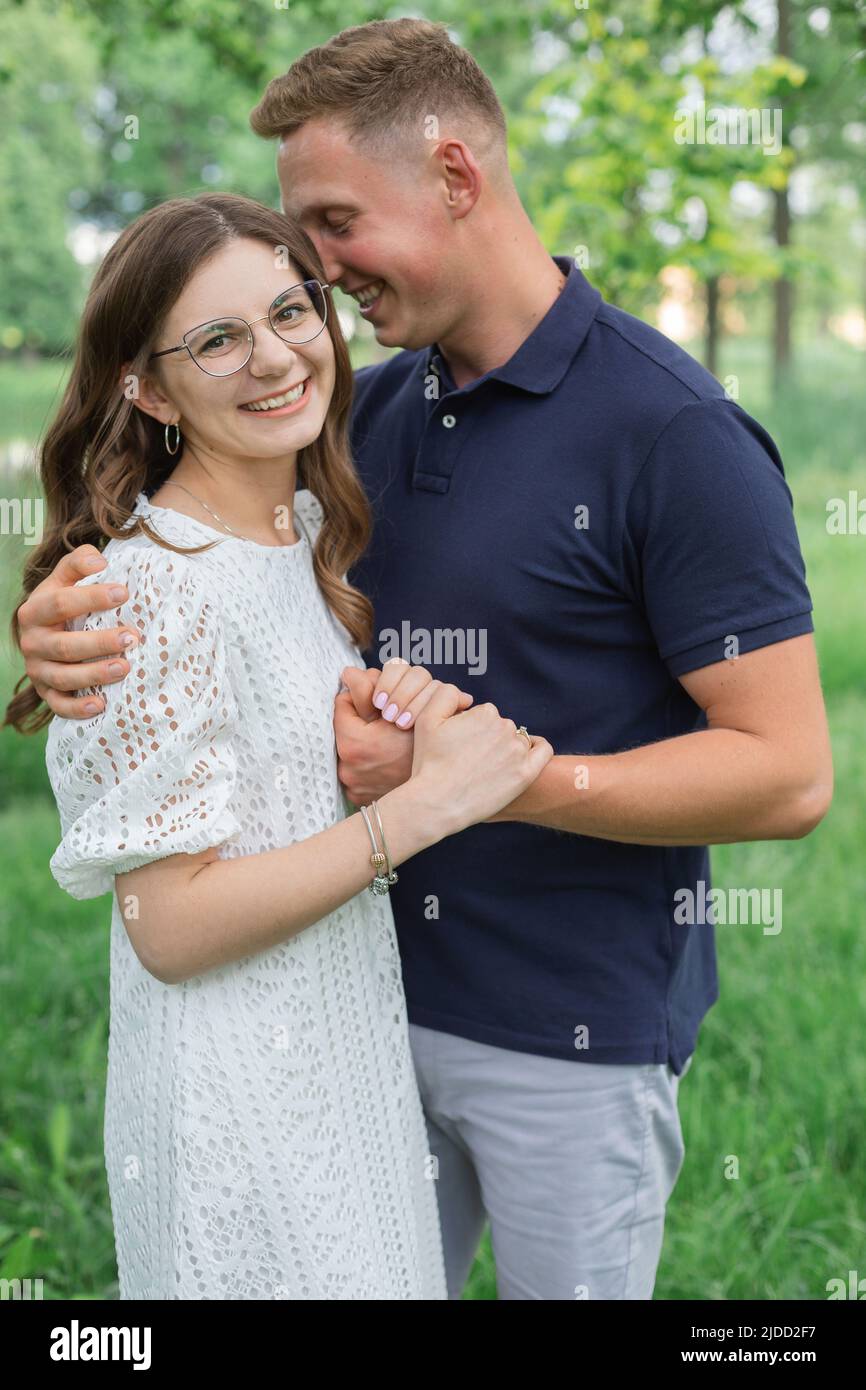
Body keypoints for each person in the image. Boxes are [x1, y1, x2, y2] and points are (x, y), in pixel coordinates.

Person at [12, 19, 833, 1300]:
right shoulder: (358, 418)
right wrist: (61, 617)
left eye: (331, 225)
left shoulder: (674, 434)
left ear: (452, 175)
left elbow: (785, 776)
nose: (317, 275)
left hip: (566, 1035)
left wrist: (494, 781)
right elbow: (200, 570)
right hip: (347, 1011)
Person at [2, 192, 552, 1300]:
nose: (272, 358)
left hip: (337, 1054)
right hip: (238, 1098)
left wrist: (356, 745)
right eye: (217, 340)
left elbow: (264, 786)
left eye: (289, 312)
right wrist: (422, 810)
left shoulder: (295, 530)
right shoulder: (151, 588)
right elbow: (173, 922)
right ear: (146, 388)